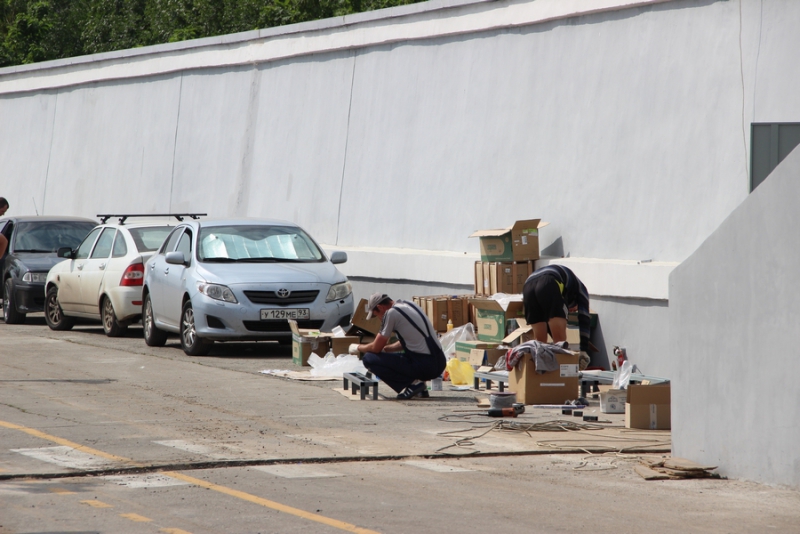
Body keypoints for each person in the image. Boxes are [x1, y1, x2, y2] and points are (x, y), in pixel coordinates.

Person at [350, 293, 446, 400]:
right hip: (439, 362)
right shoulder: (409, 305)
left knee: (369, 358)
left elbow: (375, 348)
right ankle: (421, 387)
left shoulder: (391, 313)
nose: (378, 319)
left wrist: (357, 347)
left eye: (377, 315)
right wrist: (388, 349)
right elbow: (410, 340)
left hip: (424, 365)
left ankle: (414, 384)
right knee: (406, 354)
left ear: (380, 307)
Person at [522, 264, 591, 360]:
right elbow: (584, 318)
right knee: (560, 342)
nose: (571, 310)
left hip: (528, 286)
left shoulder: (567, 286)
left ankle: (540, 372)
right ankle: (559, 373)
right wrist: (584, 350)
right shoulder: (581, 290)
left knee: (540, 343)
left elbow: (549, 321)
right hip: (549, 281)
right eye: (574, 309)